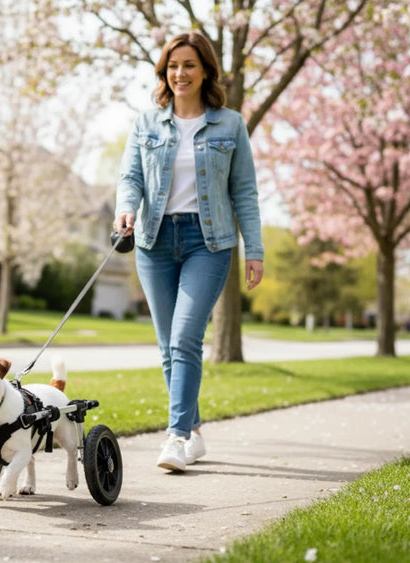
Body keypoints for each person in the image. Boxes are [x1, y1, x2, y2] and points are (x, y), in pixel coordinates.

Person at [113, 31, 265, 472]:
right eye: (173, 65)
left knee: (184, 339)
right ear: (165, 71)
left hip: (209, 241)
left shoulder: (230, 124)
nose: (181, 73)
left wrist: (253, 249)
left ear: (206, 71)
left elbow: (245, 193)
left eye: (190, 65)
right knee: (168, 347)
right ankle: (194, 431)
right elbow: (131, 179)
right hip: (154, 241)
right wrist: (126, 208)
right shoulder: (145, 123)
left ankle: (176, 436)